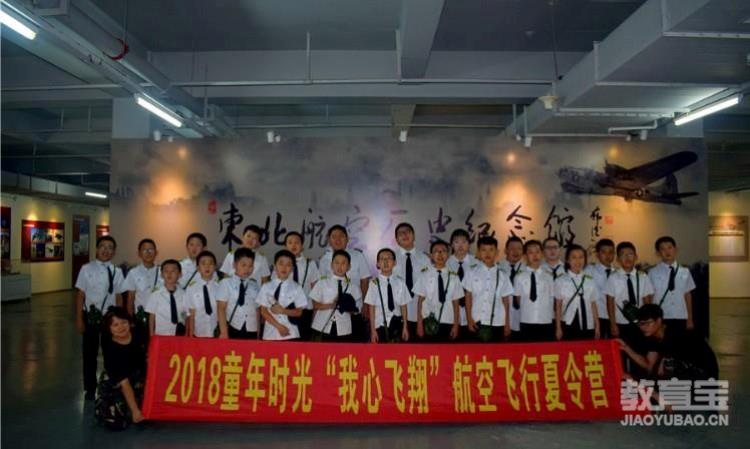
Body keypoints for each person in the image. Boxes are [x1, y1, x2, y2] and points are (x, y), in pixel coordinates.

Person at [75, 235, 126, 400]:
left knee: (111, 352)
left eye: (110, 247)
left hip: (109, 319)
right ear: (97, 249)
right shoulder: (86, 269)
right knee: (89, 353)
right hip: (90, 317)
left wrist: (120, 320)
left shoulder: (117, 271)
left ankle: (112, 383)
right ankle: (90, 388)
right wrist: (79, 319)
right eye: (103, 246)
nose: (106, 250)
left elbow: (119, 297)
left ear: (114, 252)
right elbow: (80, 295)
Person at [618, 304, 718, 381]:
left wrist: (636, 379)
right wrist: (626, 348)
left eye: (647, 323)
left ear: (658, 321)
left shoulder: (675, 334)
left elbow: (664, 371)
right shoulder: (653, 336)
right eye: (640, 324)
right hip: (687, 374)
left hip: (703, 374)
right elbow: (649, 366)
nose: (643, 327)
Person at [96, 307, 146, 429]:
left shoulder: (138, 333)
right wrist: (135, 411)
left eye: (124, 322)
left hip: (136, 375)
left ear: (130, 323)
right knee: (116, 421)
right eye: (115, 325)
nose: (121, 327)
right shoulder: (110, 347)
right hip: (117, 380)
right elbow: (123, 381)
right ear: (109, 329)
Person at [317, 225, 371, 340]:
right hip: (331, 312)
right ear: (329, 240)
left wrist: (365, 305)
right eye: (334, 236)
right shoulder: (324, 260)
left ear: (347, 239)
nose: (337, 239)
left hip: (354, 310)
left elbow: (364, 281)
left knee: (355, 345)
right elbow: (321, 287)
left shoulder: (357, 255)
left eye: (341, 236)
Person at [463, 236, 514, 342]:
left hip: (497, 322)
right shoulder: (471, 272)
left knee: (496, 352)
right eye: (483, 250)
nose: (487, 253)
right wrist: (469, 319)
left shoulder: (503, 274)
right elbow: (468, 297)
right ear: (478, 252)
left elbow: (505, 301)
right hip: (476, 320)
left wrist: (507, 323)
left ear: (497, 252)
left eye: (491, 249)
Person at [606, 242, 654, 345]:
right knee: (621, 351)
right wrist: (613, 324)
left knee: (639, 350)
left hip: (640, 322)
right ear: (618, 259)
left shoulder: (643, 276)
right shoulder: (613, 277)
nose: (627, 258)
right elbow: (610, 302)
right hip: (620, 322)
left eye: (630, 254)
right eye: (623, 255)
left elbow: (647, 300)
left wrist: (649, 321)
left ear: (636, 257)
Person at [310, 250, 363, 342]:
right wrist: (332, 305)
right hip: (322, 326)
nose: (340, 266)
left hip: (344, 328)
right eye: (337, 262)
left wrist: (347, 307)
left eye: (343, 263)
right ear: (331, 265)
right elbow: (314, 305)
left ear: (349, 267)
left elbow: (357, 310)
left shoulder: (354, 287)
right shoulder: (322, 283)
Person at [415, 240, 463, 342]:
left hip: (448, 321)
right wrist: (419, 323)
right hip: (428, 322)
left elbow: (456, 303)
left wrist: (456, 325)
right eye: (436, 251)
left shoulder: (454, 276)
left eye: (443, 251)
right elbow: (420, 301)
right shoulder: (424, 274)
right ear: (431, 255)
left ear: (448, 255)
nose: (440, 254)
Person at [391, 222, 432, 339]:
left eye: (408, 231)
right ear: (397, 240)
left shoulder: (425, 259)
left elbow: (429, 287)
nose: (405, 234)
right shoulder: (390, 258)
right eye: (401, 233)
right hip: (397, 312)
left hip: (420, 314)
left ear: (414, 236)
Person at [648, 236, 696, 333]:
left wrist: (690, 318)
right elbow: (650, 296)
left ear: (675, 250)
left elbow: (687, 295)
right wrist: (651, 318)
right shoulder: (652, 272)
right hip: (661, 317)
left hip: (680, 315)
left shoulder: (685, 272)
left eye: (670, 247)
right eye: (663, 249)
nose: (667, 251)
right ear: (658, 253)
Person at [257, 250, 307, 341]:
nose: (284, 267)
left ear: (292, 268)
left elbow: (299, 312)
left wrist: (283, 311)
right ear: (275, 266)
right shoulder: (266, 286)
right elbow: (263, 311)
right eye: (281, 264)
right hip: (270, 333)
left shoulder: (297, 287)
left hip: (290, 332)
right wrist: (279, 327)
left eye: (288, 265)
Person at [554, 244, 601, 340]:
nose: (578, 261)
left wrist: (597, 326)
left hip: (588, 323)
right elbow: (558, 306)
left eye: (581, 257)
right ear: (567, 260)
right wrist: (558, 328)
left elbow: (593, 304)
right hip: (568, 322)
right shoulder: (560, 280)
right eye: (574, 257)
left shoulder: (590, 280)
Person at [364, 248, 411, 343]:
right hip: (380, 325)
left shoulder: (400, 282)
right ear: (378, 264)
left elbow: (403, 306)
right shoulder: (374, 283)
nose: (385, 261)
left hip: (397, 324)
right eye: (382, 259)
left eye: (389, 258)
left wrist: (405, 327)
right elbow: (371, 307)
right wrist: (373, 330)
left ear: (394, 262)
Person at [280, 231, 319, 339]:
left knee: (303, 343)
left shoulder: (310, 263)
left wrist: (315, 313)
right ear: (285, 246)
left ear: (302, 246)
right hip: (285, 310)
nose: (293, 245)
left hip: (305, 311)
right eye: (290, 242)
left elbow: (315, 289)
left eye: (297, 242)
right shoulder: (280, 263)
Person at [514, 240, 555, 342]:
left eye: (537, 252)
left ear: (542, 254)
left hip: (545, 320)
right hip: (526, 320)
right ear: (525, 256)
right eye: (531, 252)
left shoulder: (549, 276)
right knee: (528, 350)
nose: (535, 255)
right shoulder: (519, 276)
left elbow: (552, 298)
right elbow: (518, 299)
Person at [122, 238, 161, 344]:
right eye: (144, 250)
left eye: (151, 249)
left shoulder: (162, 271)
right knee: (141, 345)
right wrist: (130, 320)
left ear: (156, 252)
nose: (148, 252)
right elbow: (130, 299)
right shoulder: (133, 273)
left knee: (157, 345)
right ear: (139, 253)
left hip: (159, 317)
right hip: (140, 317)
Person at [216, 247, 261, 339]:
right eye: (243, 265)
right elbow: (221, 309)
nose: (247, 269)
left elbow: (257, 310)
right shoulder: (226, 283)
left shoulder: (254, 285)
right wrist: (224, 332)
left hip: (251, 329)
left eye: (250, 266)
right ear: (234, 265)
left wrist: (258, 333)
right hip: (233, 327)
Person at [146, 259, 189, 336]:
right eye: (166, 271)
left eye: (173, 271)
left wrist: (186, 332)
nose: (169, 274)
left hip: (178, 333)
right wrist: (151, 335)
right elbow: (152, 316)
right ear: (161, 274)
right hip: (161, 333)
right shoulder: (155, 294)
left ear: (180, 274)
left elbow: (185, 314)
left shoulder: (184, 294)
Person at [447, 229, 475, 340]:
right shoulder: (445, 263)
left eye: (464, 242)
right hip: (451, 315)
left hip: (473, 315)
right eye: (456, 242)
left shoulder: (477, 263)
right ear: (451, 245)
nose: (460, 245)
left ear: (469, 244)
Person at [585, 238, 616, 338]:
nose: (608, 255)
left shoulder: (617, 273)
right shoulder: (590, 270)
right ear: (597, 254)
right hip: (597, 316)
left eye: (611, 252)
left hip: (615, 317)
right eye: (604, 252)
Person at [186, 251, 221, 338]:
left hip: (216, 333)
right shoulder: (191, 288)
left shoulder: (220, 287)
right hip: (198, 332)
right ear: (198, 267)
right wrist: (191, 334)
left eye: (210, 263)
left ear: (215, 267)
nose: (207, 266)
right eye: (203, 263)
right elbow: (191, 314)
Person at [499, 236, 525, 339]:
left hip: (521, 317)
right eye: (512, 248)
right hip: (501, 318)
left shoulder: (527, 269)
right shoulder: (497, 268)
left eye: (519, 248)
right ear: (505, 251)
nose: (516, 252)